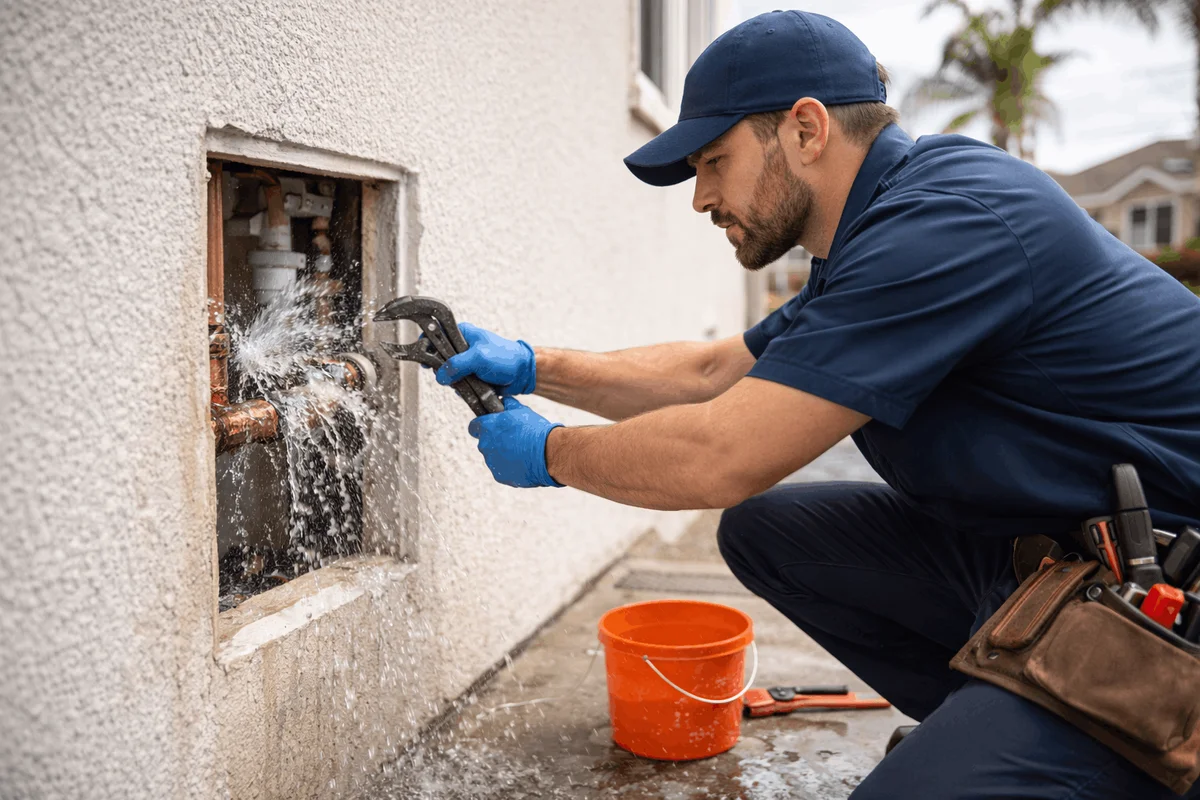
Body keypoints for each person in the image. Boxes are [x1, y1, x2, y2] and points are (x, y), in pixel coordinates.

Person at [434, 10, 1200, 799]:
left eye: (714, 162)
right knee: (771, 534)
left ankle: (1104, 758)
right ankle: (990, 730)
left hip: (1162, 606)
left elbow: (722, 453)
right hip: (1047, 565)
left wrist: (551, 453)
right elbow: (711, 373)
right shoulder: (864, 244)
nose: (701, 197)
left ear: (805, 130)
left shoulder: (947, 222)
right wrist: (532, 366)